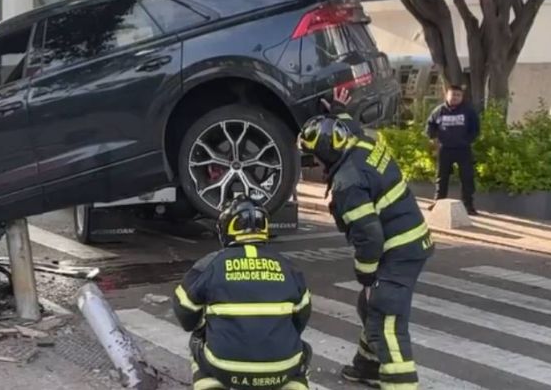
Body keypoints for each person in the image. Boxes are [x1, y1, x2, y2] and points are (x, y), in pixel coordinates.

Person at [299, 87, 433, 389]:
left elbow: (369, 236)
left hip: (399, 249)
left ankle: (401, 385)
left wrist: (367, 275)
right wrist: (336, 109)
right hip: (410, 240)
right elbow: (349, 123)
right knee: (368, 304)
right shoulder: (358, 141)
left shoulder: (347, 184)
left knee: (385, 316)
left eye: (315, 159)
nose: (315, 165)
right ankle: (368, 367)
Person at [173, 196, 312, 390]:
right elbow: (301, 317)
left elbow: (184, 309)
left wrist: (204, 324)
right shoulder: (289, 267)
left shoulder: (210, 264)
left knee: (196, 339)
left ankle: (209, 385)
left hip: (225, 368)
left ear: (225, 229)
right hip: (282, 369)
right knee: (304, 352)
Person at [426, 85, 480, 215]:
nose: (455, 97)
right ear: (447, 95)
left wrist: (467, 140)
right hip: (445, 149)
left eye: (458, 95)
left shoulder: (468, 111)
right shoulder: (439, 111)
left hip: (463, 149)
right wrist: (434, 139)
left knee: (467, 178)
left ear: (462, 97)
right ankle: (438, 202)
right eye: (453, 94)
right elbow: (430, 125)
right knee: (441, 177)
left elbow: (475, 129)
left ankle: (468, 205)